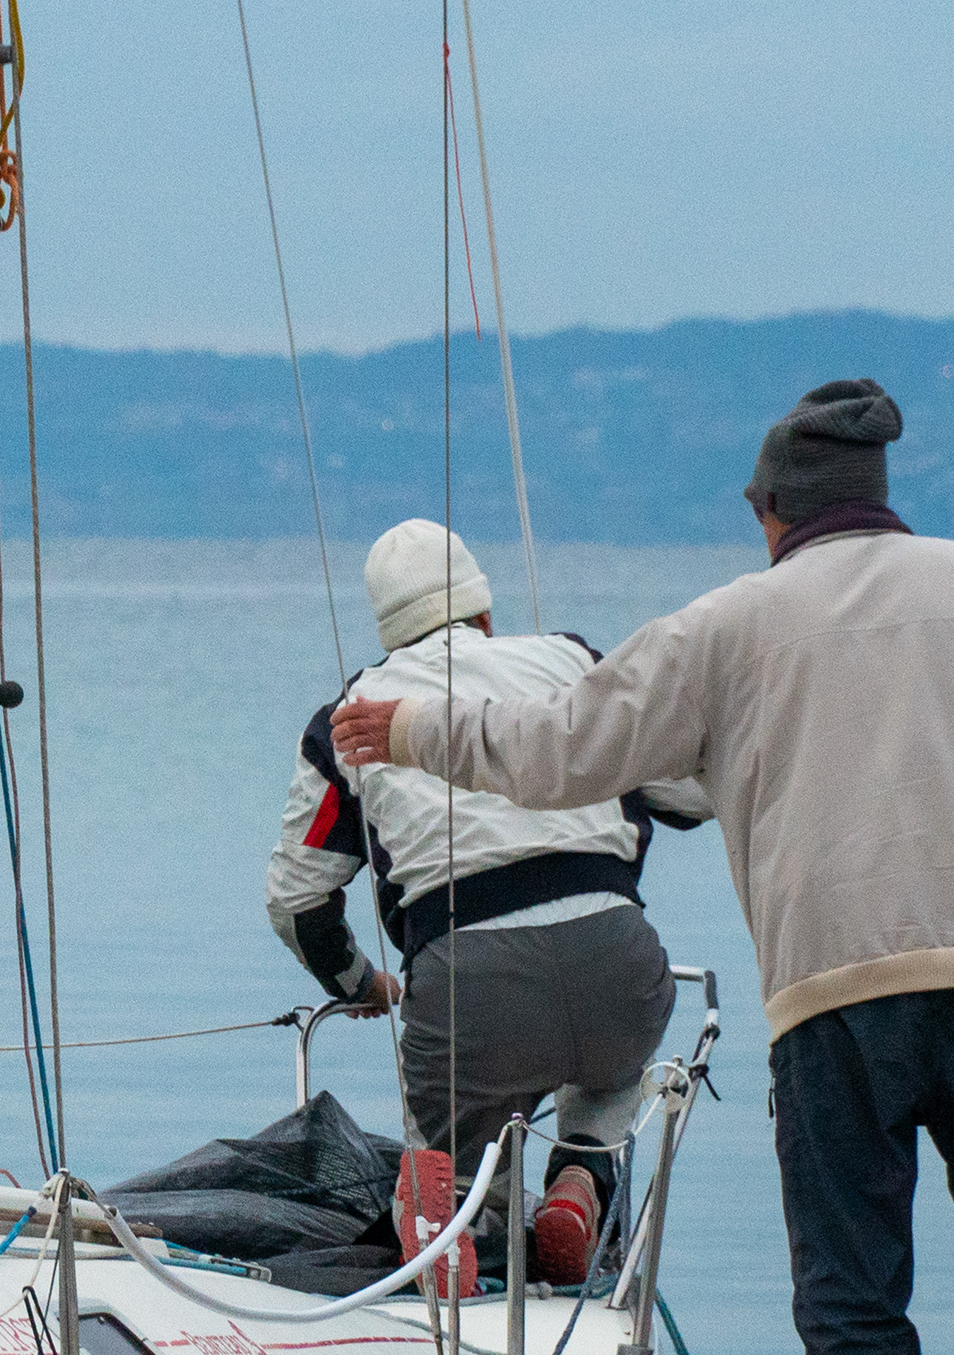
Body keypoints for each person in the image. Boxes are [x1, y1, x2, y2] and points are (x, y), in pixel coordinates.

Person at [330, 381, 954, 1355]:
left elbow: (562, 750)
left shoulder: (729, 624)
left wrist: (412, 727)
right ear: (878, 497)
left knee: (852, 1268)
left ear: (769, 513)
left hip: (834, 990)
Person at [269, 520, 712, 1285]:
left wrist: (359, 985)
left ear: (388, 627)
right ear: (483, 614)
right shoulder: (572, 662)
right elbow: (691, 793)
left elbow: (298, 901)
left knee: (442, 1149)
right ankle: (579, 1180)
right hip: (618, 961)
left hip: (467, 990)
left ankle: (450, 1240)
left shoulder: (350, 717)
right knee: (611, 1073)